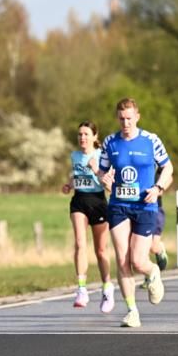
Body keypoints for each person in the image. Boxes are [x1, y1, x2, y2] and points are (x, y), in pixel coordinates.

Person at [97, 98, 174, 328]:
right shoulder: (110, 142)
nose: (126, 123)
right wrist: (104, 178)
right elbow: (101, 171)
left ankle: (152, 273)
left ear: (137, 117)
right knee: (122, 259)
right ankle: (132, 310)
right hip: (119, 205)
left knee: (139, 261)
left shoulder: (151, 140)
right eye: (121, 119)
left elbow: (168, 168)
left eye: (129, 118)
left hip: (145, 206)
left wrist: (158, 188)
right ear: (117, 118)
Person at [61, 121, 114, 312]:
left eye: (86, 134)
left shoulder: (102, 156)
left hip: (98, 203)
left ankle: (107, 287)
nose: (82, 138)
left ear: (94, 136)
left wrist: (95, 169)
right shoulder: (74, 155)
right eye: (80, 134)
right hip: (79, 201)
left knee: (100, 251)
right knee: (80, 244)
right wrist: (69, 185)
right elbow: (77, 175)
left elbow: (109, 186)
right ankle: (82, 289)